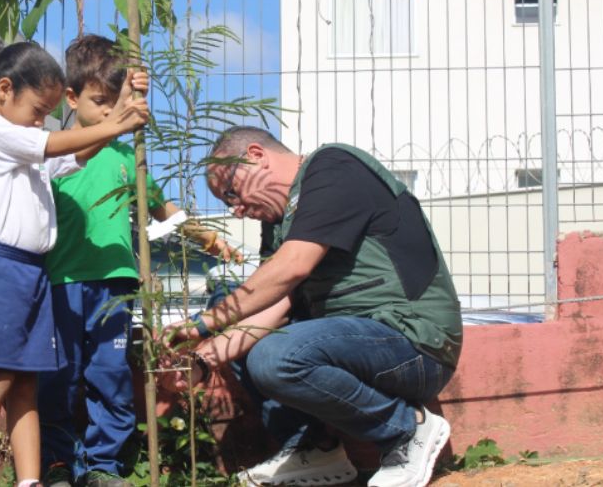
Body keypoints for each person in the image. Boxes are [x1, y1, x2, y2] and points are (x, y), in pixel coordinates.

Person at [161, 126, 463, 487]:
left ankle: (405, 430)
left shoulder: (333, 167)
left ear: (256, 156)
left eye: (231, 194)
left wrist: (200, 324)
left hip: (414, 344)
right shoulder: (279, 222)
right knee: (243, 313)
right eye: (228, 205)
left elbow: (293, 266)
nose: (237, 210)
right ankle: (314, 449)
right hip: (356, 343)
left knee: (274, 354)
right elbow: (269, 310)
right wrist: (201, 359)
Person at [39, 35, 241, 487]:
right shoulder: (60, 150)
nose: (111, 113)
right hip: (62, 281)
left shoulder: (131, 158)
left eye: (118, 102)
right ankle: (56, 464)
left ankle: (102, 467)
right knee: (60, 376)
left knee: (109, 374)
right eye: (99, 102)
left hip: (115, 283)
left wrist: (209, 238)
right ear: (71, 98)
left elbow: (160, 209)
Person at [0, 41, 150, 487]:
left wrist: (120, 108)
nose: (42, 119)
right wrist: (119, 119)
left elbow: (79, 153)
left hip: (32, 270)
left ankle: (30, 481)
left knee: (26, 383)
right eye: (38, 109)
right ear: (4, 89)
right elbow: (55, 143)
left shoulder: (26, 143)